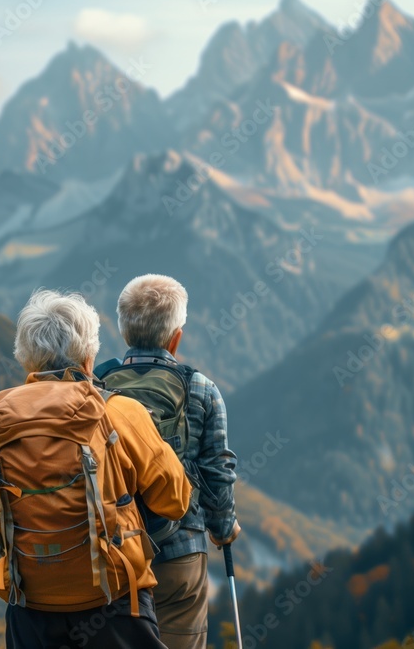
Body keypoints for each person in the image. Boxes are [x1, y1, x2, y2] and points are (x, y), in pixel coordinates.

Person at [0, 289, 191, 649]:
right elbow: (175, 500)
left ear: (26, 357)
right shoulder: (119, 411)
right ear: (89, 355)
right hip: (113, 601)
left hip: (29, 603)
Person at [106, 274, 240, 649]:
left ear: (123, 330)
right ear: (176, 337)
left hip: (113, 551)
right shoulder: (201, 388)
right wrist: (223, 526)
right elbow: (217, 470)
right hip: (180, 549)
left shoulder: (95, 385)